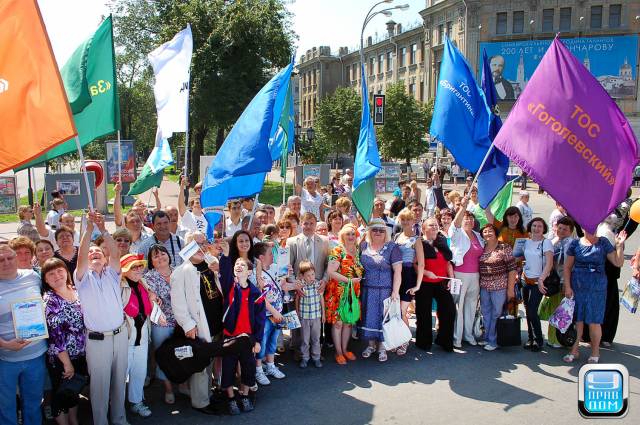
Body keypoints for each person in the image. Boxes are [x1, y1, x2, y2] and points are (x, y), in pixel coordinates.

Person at [74, 211, 127, 425]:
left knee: (119, 382)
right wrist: (88, 230)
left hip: (120, 335)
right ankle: (101, 421)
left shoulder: (113, 275)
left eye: (99, 252)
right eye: (91, 252)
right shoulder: (82, 280)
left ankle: (119, 418)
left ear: (104, 258)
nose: (94, 253)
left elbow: (115, 253)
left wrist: (103, 229)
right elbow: (81, 255)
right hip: (97, 341)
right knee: (100, 386)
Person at [171, 232, 224, 415]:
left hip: (215, 322)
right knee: (201, 364)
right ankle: (200, 402)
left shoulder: (211, 264)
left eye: (204, 243)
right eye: (196, 244)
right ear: (187, 247)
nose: (201, 247)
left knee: (209, 360)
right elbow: (178, 303)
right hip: (198, 325)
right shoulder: (180, 272)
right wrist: (187, 325)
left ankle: (207, 393)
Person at [0, 245, 48, 425]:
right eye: (1, 260)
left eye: (9, 258)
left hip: (36, 356)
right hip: (5, 359)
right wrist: (5, 344)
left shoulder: (33, 276)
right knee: (6, 406)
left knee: (34, 403)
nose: (6, 263)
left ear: (15, 258)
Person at [563, 229, 626, 364]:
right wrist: (567, 286)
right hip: (578, 286)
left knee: (594, 320)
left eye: (593, 225)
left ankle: (595, 351)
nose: (590, 227)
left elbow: (618, 262)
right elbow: (567, 267)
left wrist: (619, 246)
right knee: (578, 319)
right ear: (582, 228)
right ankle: (574, 350)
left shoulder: (603, 242)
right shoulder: (575, 243)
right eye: (586, 225)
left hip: (597, 288)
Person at [218, 246, 266, 415]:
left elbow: (260, 320)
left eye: (243, 265)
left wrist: (258, 340)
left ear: (250, 272)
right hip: (230, 337)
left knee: (248, 368)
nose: (238, 266)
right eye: (236, 264)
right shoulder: (230, 288)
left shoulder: (255, 293)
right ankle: (231, 398)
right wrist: (225, 256)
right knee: (229, 369)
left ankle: (245, 395)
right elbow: (223, 273)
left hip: (248, 339)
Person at [42, 258, 87, 425]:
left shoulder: (75, 289)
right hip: (62, 358)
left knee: (73, 390)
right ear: (45, 279)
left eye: (60, 271)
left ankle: (74, 420)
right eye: (51, 273)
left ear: (67, 272)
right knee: (60, 394)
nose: (57, 275)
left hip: (81, 353)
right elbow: (56, 336)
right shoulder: (50, 300)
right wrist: (67, 364)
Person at [286, 212, 329, 359]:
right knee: (299, 319)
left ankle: (316, 352)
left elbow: (327, 265)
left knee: (316, 322)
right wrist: (295, 285)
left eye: (312, 223)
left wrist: (324, 280)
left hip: (317, 289)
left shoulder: (324, 241)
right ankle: (298, 350)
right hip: (299, 288)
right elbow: (288, 267)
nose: (308, 226)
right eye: (306, 223)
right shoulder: (292, 242)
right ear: (300, 224)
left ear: (316, 224)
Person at [359, 218, 402, 362]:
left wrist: (395, 291)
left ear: (386, 232)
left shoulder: (392, 247)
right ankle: (371, 346)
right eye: (375, 229)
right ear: (369, 231)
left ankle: (382, 348)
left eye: (381, 230)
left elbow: (397, 271)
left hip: (385, 290)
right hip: (367, 289)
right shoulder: (363, 246)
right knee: (369, 318)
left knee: (384, 320)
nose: (378, 232)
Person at [411, 218, 455, 352]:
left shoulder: (442, 242)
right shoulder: (419, 243)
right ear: (424, 229)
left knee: (449, 311)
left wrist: (451, 278)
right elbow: (414, 264)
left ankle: (444, 340)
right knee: (424, 314)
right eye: (431, 225)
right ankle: (424, 342)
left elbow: (447, 262)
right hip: (424, 283)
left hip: (441, 282)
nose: (435, 227)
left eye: (436, 225)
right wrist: (426, 272)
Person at [326, 223, 363, 364]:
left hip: (353, 291)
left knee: (348, 322)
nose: (351, 236)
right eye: (348, 234)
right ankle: (338, 352)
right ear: (342, 236)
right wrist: (349, 281)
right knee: (338, 323)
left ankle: (345, 349)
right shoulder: (337, 250)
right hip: (338, 292)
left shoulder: (357, 250)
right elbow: (331, 272)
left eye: (353, 234)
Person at [144, 245, 177, 404]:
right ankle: (168, 389)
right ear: (151, 261)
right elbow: (150, 297)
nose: (160, 257)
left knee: (182, 354)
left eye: (162, 254)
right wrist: (153, 299)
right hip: (162, 324)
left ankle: (183, 384)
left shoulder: (179, 272)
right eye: (155, 256)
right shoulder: (149, 277)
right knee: (163, 356)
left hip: (182, 323)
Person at [449, 196, 484, 348]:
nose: (468, 221)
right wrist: (462, 208)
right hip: (460, 275)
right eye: (465, 218)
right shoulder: (457, 233)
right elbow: (455, 224)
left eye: (470, 219)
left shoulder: (478, 236)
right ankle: (457, 337)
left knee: (471, 306)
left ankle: (468, 335)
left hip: (475, 276)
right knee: (459, 306)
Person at [517, 218, 554, 352]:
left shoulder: (546, 243)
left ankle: (539, 340)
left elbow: (549, 263)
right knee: (527, 310)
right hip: (525, 280)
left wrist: (541, 280)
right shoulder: (526, 242)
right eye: (534, 225)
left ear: (544, 228)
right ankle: (530, 338)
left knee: (533, 311)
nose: (536, 228)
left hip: (539, 282)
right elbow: (522, 259)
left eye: (539, 226)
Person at [478, 224, 517, 351]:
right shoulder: (481, 247)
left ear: (495, 233)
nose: (487, 233)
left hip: (500, 286)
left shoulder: (504, 247)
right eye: (485, 231)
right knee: (486, 313)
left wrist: (510, 290)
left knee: (497, 313)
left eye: (490, 231)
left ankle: (494, 341)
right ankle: (487, 337)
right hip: (484, 286)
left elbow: (512, 269)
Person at [254, 242, 287, 385]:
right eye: (269, 253)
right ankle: (258, 369)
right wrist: (273, 311)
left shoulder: (274, 268)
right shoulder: (257, 275)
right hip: (267, 315)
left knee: (273, 341)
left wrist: (294, 283)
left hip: (277, 312)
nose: (272, 256)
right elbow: (261, 296)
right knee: (262, 341)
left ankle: (271, 365)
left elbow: (282, 286)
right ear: (261, 257)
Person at [394, 208, 425, 346]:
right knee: (395, 310)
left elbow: (421, 263)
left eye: (408, 219)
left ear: (413, 221)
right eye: (403, 219)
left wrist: (417, 285)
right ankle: (397, 339)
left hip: (407, 276)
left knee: (402, 311)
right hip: (395, 274)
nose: (405, 222)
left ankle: (405, 341)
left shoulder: (416, 239)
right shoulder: (397, 237)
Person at [547, 217, 576, 348]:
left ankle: (559, 339)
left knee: (561, 311)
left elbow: (567, 266)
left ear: (571, 231)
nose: (562, 231)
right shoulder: (556, 240)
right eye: (560, 228)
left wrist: (565, 282)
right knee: (556, 309)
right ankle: (553, 338)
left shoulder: (570, 243)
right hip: (555, 280)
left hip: (563, 281)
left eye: (565, 229)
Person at [296, 260, 324, 368]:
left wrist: (323, 314)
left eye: (313, 274)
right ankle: (305, 358)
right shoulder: (300, 286)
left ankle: (316, 357)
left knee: (316, 339)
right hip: (304, 317)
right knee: (304, 339)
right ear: (302, 276)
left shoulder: (317, 285)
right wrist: (297, 312)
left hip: (316, 317)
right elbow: (297, 298)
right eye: (308, 275)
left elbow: (321, 299)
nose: (311, 277)